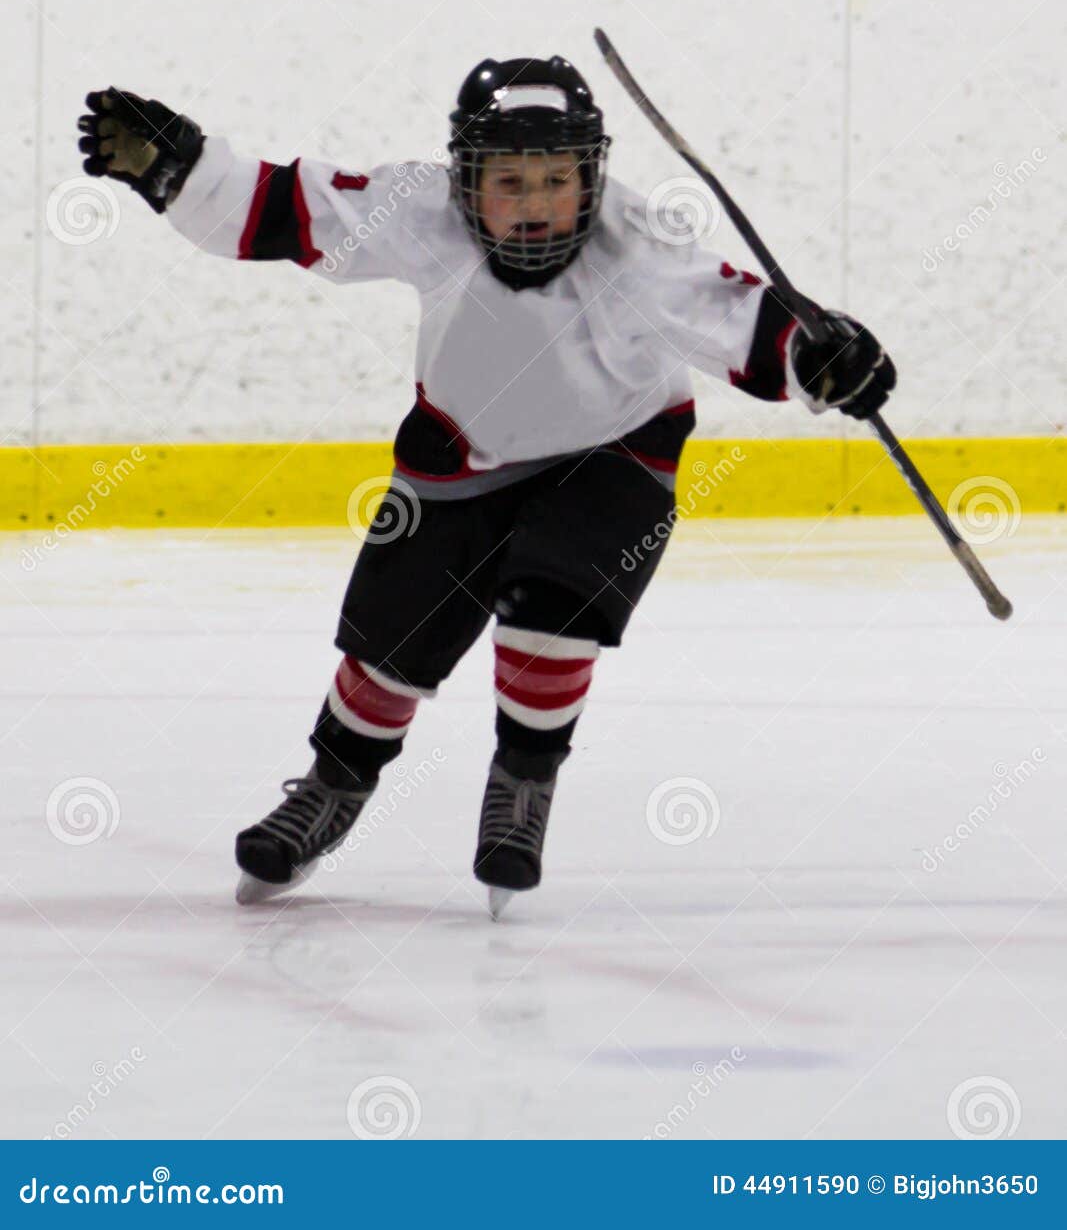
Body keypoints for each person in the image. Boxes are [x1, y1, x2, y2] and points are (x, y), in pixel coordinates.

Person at [77, 56, 895, 916]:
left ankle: (524, 780)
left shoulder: (640, 244)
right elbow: (285, 208)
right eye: (509, 181)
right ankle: (332, 788)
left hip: (614, 453)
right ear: (465, 180)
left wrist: (820, 355)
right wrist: (180, 170)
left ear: (593, 175)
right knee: (390, 646)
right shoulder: (419, 211)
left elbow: (736, 316)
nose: (535, 201)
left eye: (556, 179)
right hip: (459, 451)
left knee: (556, 602)